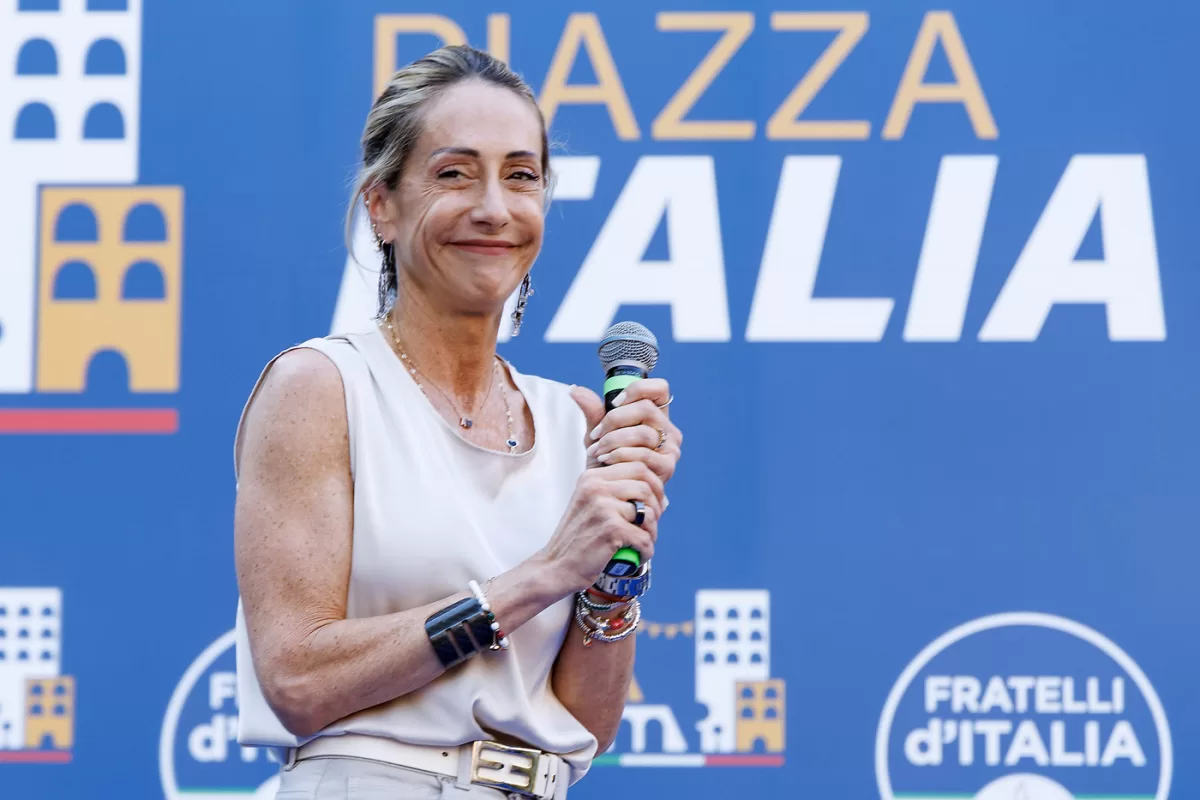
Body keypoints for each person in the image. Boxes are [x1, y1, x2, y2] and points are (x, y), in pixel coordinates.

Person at [230, 44, 683, 800]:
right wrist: (543, 575)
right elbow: (298, 682)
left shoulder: (572, 423)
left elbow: (587, 723)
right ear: (381, 205)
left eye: (521, 176)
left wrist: (612, 571)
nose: (494, 208)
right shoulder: (324, 387)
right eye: (454, 174)